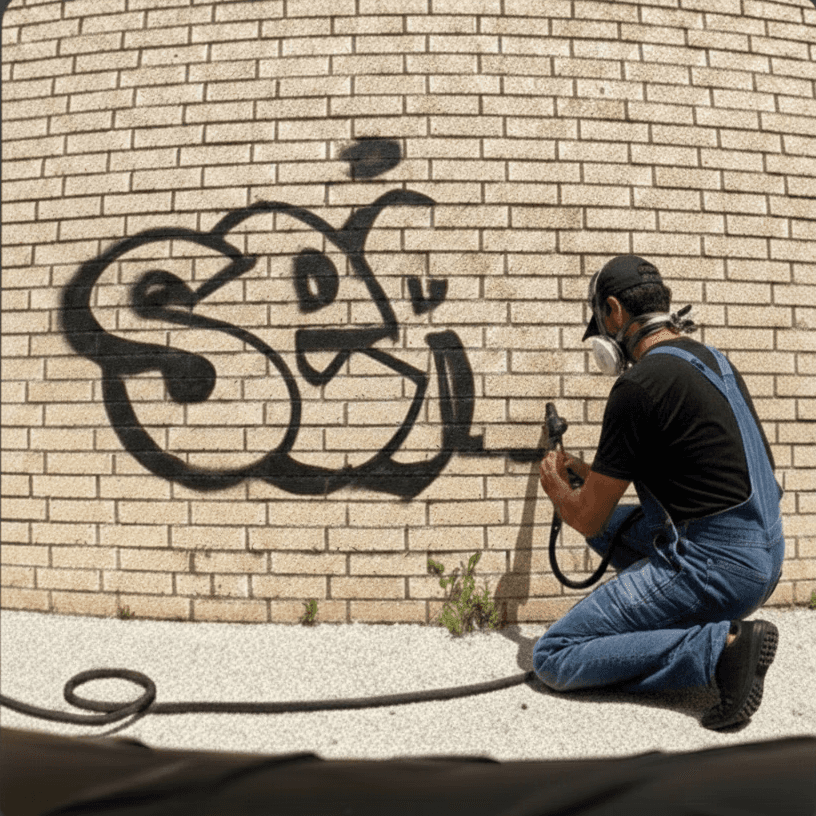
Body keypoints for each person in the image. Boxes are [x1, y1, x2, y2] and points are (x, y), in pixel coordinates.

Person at [534, 255, 785, 731]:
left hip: (715, 566)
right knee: (611, 525)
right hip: (764, 557)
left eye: (601, 323)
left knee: (555, 655)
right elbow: (684, 476)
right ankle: (681, 619)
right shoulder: (711, 361)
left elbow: (583, 518)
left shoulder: (637, 386)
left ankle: (722, 651)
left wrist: (556, 489)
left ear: (614, 312)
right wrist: (585, 475)